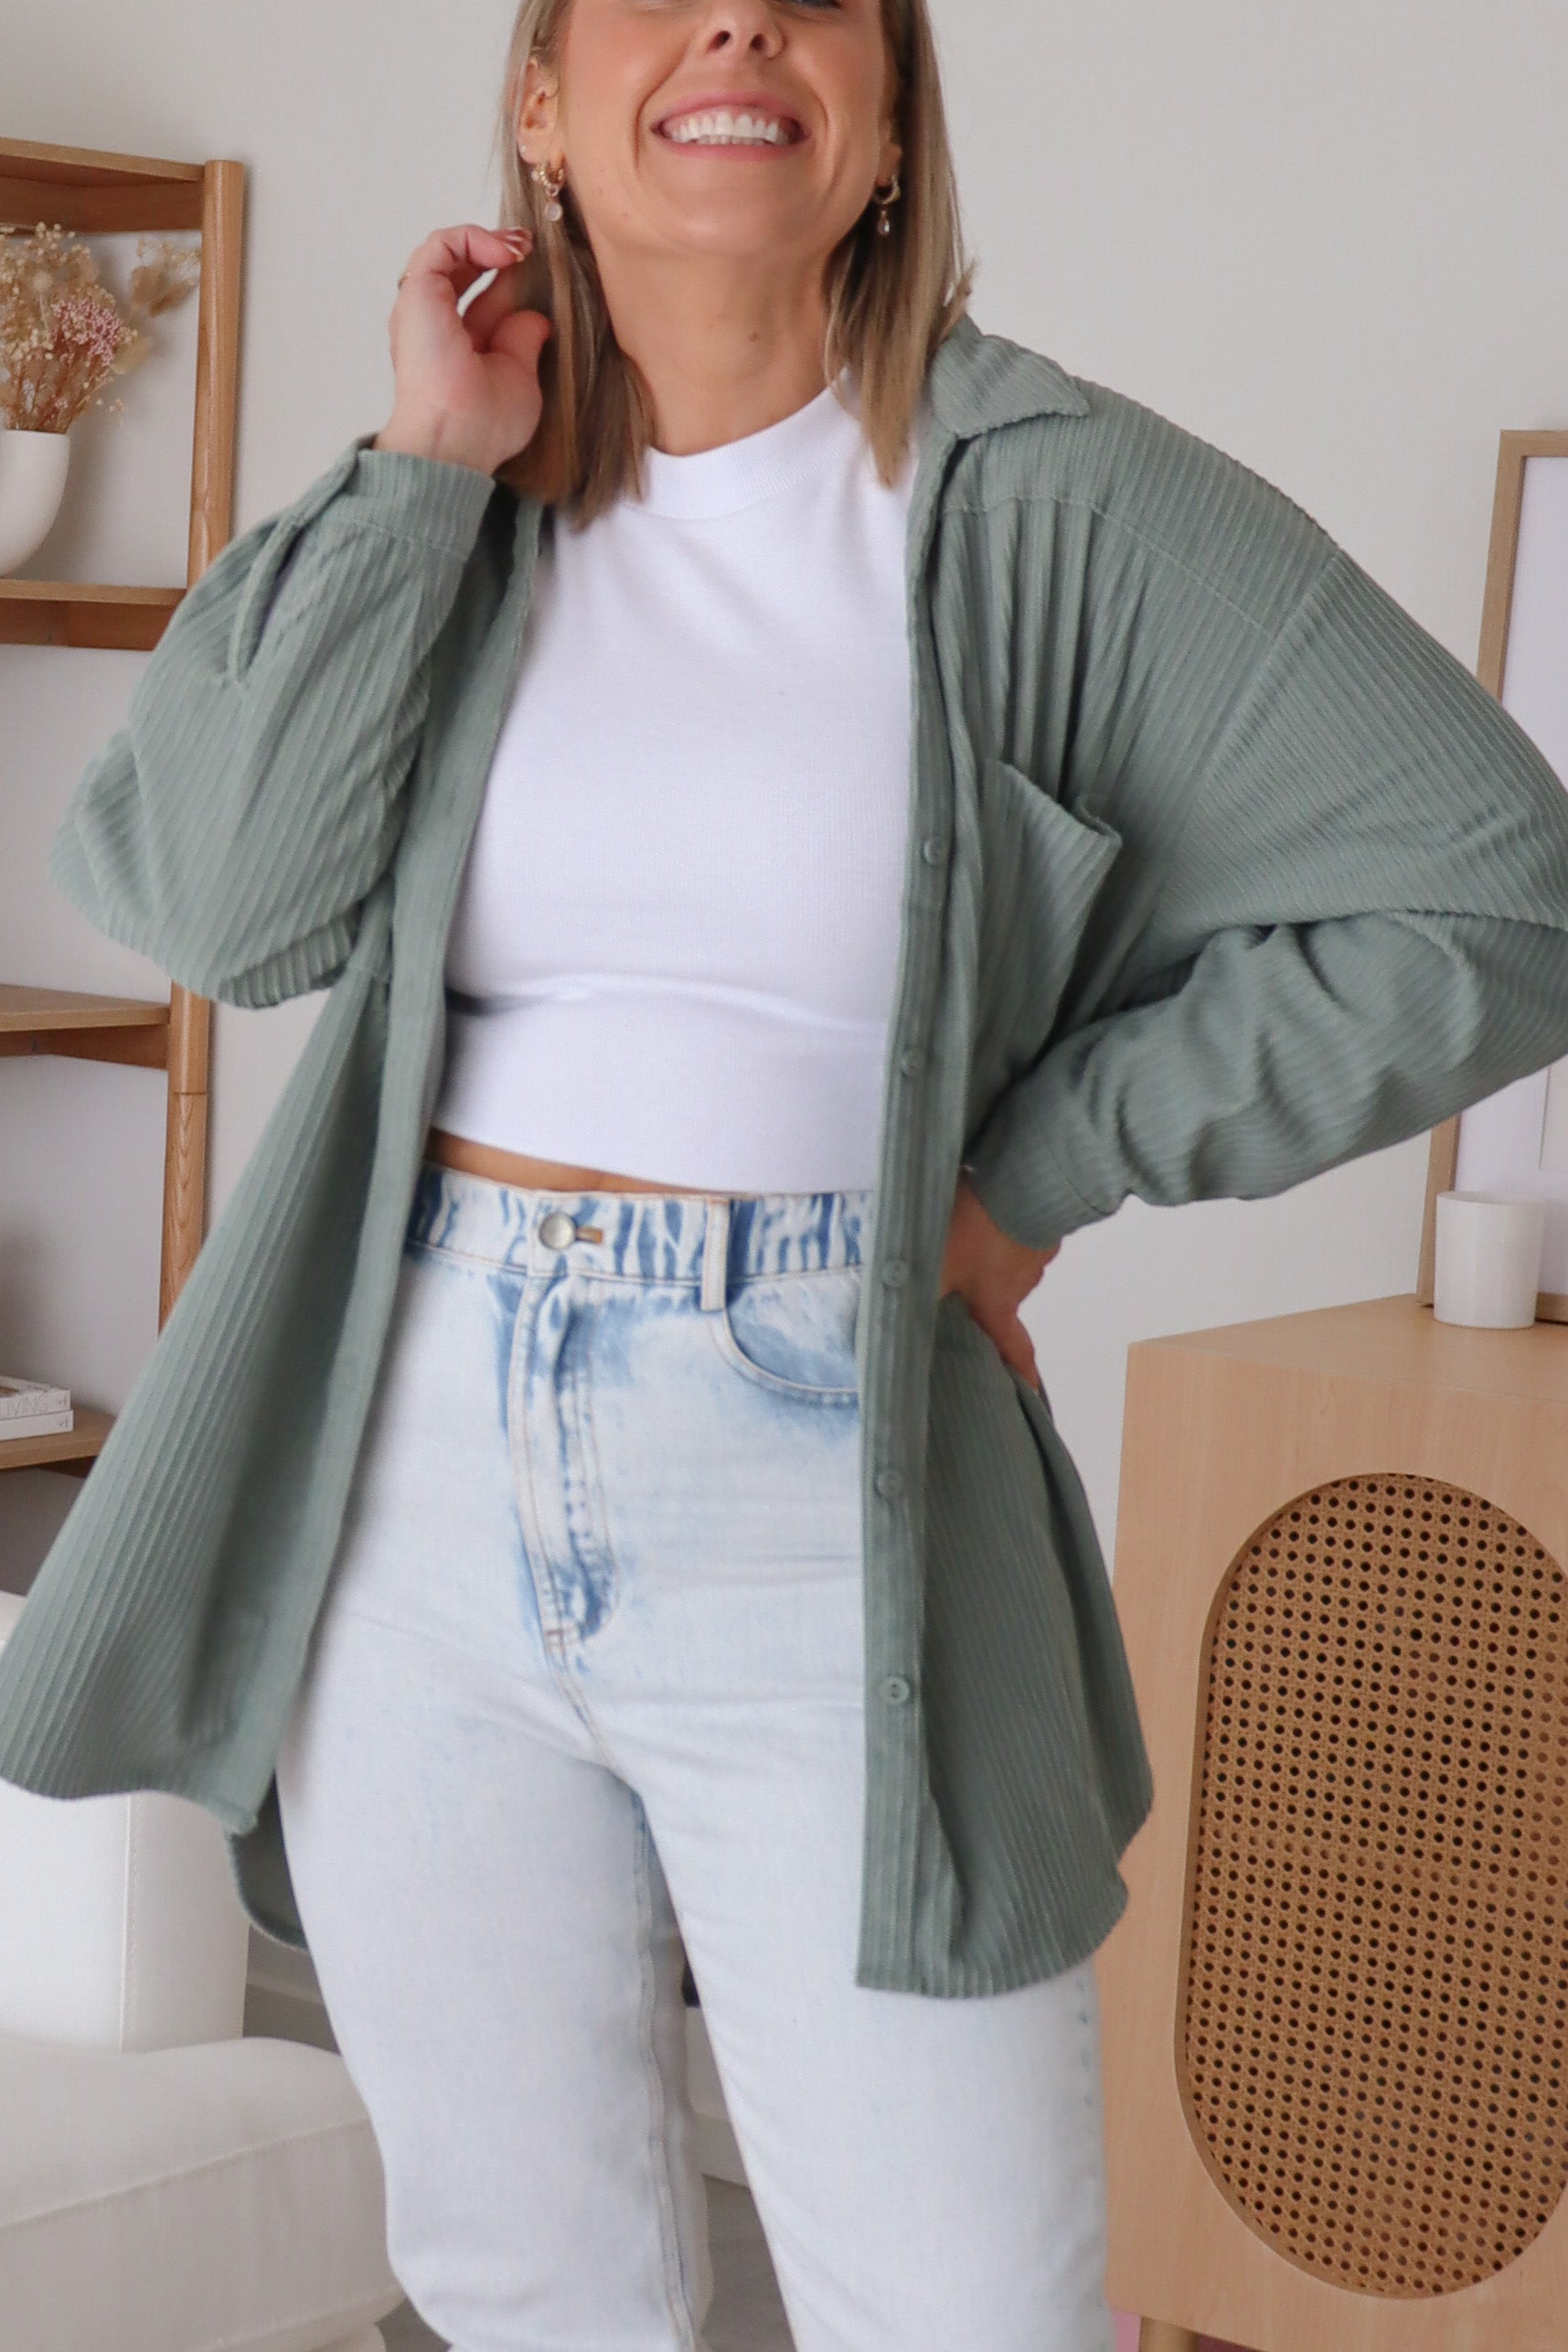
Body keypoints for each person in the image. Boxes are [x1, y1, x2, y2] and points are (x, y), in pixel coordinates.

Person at [9, 3, 1568, 2349]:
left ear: (890, 111)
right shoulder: (450, 493)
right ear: (542, 101)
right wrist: (426, 463)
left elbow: (1502, 895)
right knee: (526, 2285)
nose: (740, 16)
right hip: (408, 1462)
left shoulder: (1048, 499)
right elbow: (220, 907)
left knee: (966, 2307)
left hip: (824, 1450)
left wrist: (1038, 1168)